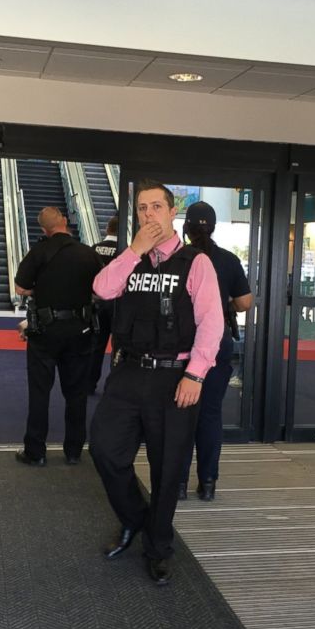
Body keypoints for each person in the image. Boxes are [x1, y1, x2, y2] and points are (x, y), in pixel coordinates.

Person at [89, 180, 221, 586]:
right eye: (143, 209)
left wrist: (195, 374)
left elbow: (212, 323)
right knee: (106, 450)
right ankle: (135, 519)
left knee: (167, 469)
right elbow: (101, 289)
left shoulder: (195, 262)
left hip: (174, 377)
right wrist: (133, 251)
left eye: (156, 207)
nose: (149, 215)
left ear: (172, 212)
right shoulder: (129, 261)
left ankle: (158, 545)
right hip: (128, 374)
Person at [177, 201, 252, 502]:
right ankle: (207, 484)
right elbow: (245, 302)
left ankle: (178, 484)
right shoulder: (229, 260)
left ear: (186, 228)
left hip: (184, 345)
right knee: (210, 415)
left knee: (181, 416)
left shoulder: (180, 259)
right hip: (218, 344)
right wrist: (224, 308)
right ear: (215, 227)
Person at [14, 206, 101, 466]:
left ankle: (35, 451)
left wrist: (43, 290)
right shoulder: (88, 253)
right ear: (64, 222)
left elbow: (21, 286)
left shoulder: (39, 252)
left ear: (43, 228)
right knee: (76, 393)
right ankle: (74, 450)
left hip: (45, 331)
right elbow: (101, 289)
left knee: (39, 392)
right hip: (80, 331)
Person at [88, 215, 120, 394]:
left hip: (97, 303)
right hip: (118, 304)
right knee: (118, 346)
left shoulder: (94, 249)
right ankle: (114, 385)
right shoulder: (124, 250)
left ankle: (89, 383)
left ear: (107, 228)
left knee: (95, 345)